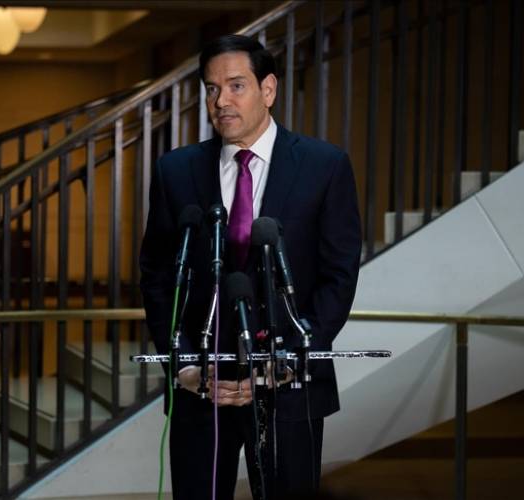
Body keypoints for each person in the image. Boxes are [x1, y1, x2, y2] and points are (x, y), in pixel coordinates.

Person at [139, 34, 361, 500]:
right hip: (203, 390)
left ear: (269, 89)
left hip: (290, 388)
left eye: (236, 86)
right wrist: (184, 365)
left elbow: (338, 277)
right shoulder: (175, 171)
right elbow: (158, 276)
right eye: (212, 89)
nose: (221, 101)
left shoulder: (324, 166)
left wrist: (290, 360)